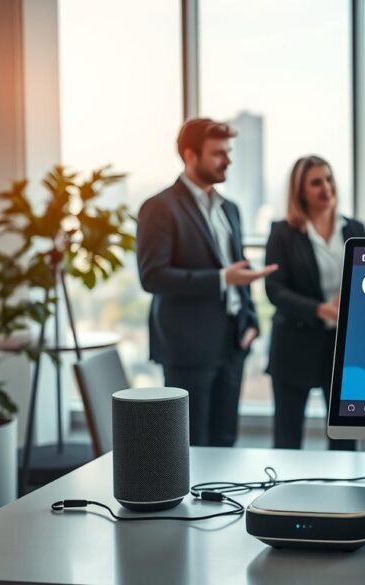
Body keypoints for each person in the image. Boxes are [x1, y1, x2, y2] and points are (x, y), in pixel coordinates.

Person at [137, 118, 277, 447]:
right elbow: (152, 276)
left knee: (225, 441)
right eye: (218, 153)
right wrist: (221, 279)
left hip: (232, 342)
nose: (227, 160)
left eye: (228, 152)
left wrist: (251, 320)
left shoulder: (230, 209)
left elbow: (239, 271)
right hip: (188, 346)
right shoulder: (159, 208)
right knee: (191, 445)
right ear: (190, 155)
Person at [265, 155, 365, 451]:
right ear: (300, 191)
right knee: (288, 437)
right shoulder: (283, 233)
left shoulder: (354, 229)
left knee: (344, 437)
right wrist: (318, 309)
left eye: (329, 179)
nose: (326, 188)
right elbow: (274, 290)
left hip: (342, 347)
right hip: (295, 344)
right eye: (316, 182)